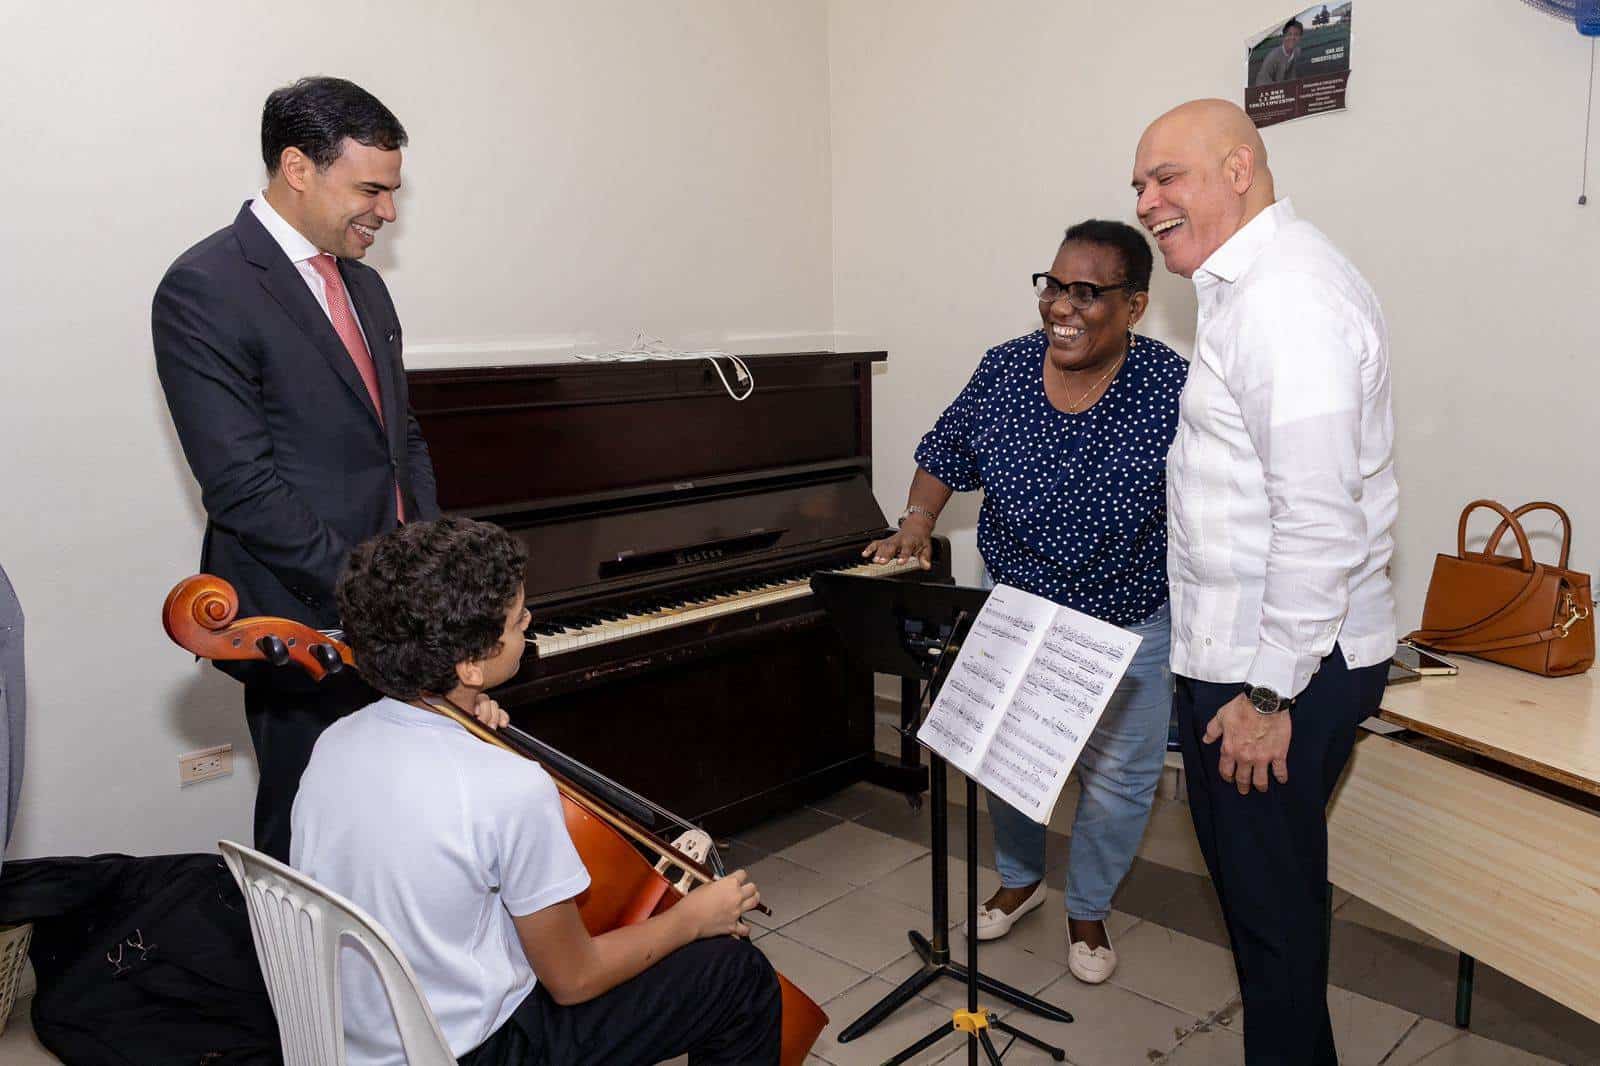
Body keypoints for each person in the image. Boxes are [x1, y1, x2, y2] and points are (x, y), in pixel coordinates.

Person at [292, 517, 781, 1066]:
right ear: (471, 664)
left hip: (359, 1041)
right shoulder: (510, 786)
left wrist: (467, 721)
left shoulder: (333, 743)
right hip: (470, 1051)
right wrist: (694, 918)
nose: (529, 621)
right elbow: (575, 979)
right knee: (737, 976)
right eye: (519, 617)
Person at [1132, 99, 1397, 1065]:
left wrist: (1268, 692)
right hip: (1257, 660)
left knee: (1271, 925)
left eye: (1169, 178)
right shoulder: (1249, 290)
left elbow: (1319, 520)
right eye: (1140, 187)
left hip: (1275, 672)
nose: (1148, 201)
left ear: (1239, 170)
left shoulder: (1287, 298)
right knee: (1273, 906)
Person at [864, 220, 1186, 984]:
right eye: (1053, 285)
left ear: (1135, 306)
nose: (1062, 307)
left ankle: (1089, 906)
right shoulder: (1005, 370)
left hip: (1128, 617)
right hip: (1015, 608)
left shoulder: (1170, 386)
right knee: (1008, 761)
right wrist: (916, 520)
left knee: (1119, 778)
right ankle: (1020, 879)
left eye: (1087, 292)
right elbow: (944, 451)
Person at [153, 76, 440, 862]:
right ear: (298, 167)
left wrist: (430, 570)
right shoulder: (205, 287)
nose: (386, 211)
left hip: (390, 607)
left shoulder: (368, 289)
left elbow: (400, 440)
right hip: (302, 618)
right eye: (371, 189)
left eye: (393, 191)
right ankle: (289, 985)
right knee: (309, 836)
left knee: (392, 832)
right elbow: (242, 486)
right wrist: (371, 592)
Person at [1254, 19, 1305, 86]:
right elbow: (1260, 82)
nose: (1292, 37)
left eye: (1296, 34)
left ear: (1300, 37)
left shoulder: (1297, 52)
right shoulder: (1273, 57)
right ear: (1284, 36)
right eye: (1289, 34)